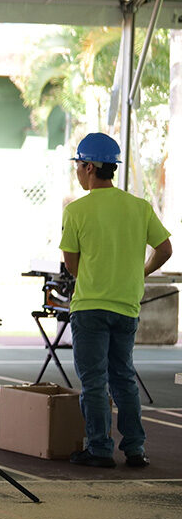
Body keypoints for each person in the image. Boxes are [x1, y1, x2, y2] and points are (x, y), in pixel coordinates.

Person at [59, 132, 172, 468]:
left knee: (94, 382)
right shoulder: (139, 207)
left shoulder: (76, 210)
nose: (77, 172)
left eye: (78, 165)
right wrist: (142, 272)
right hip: (126, 307)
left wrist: (93, 275)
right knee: (124, 378)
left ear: (89, 167)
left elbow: (71, 264)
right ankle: (135, 450)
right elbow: (165, 249)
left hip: (90, 307)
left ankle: (99, 449)